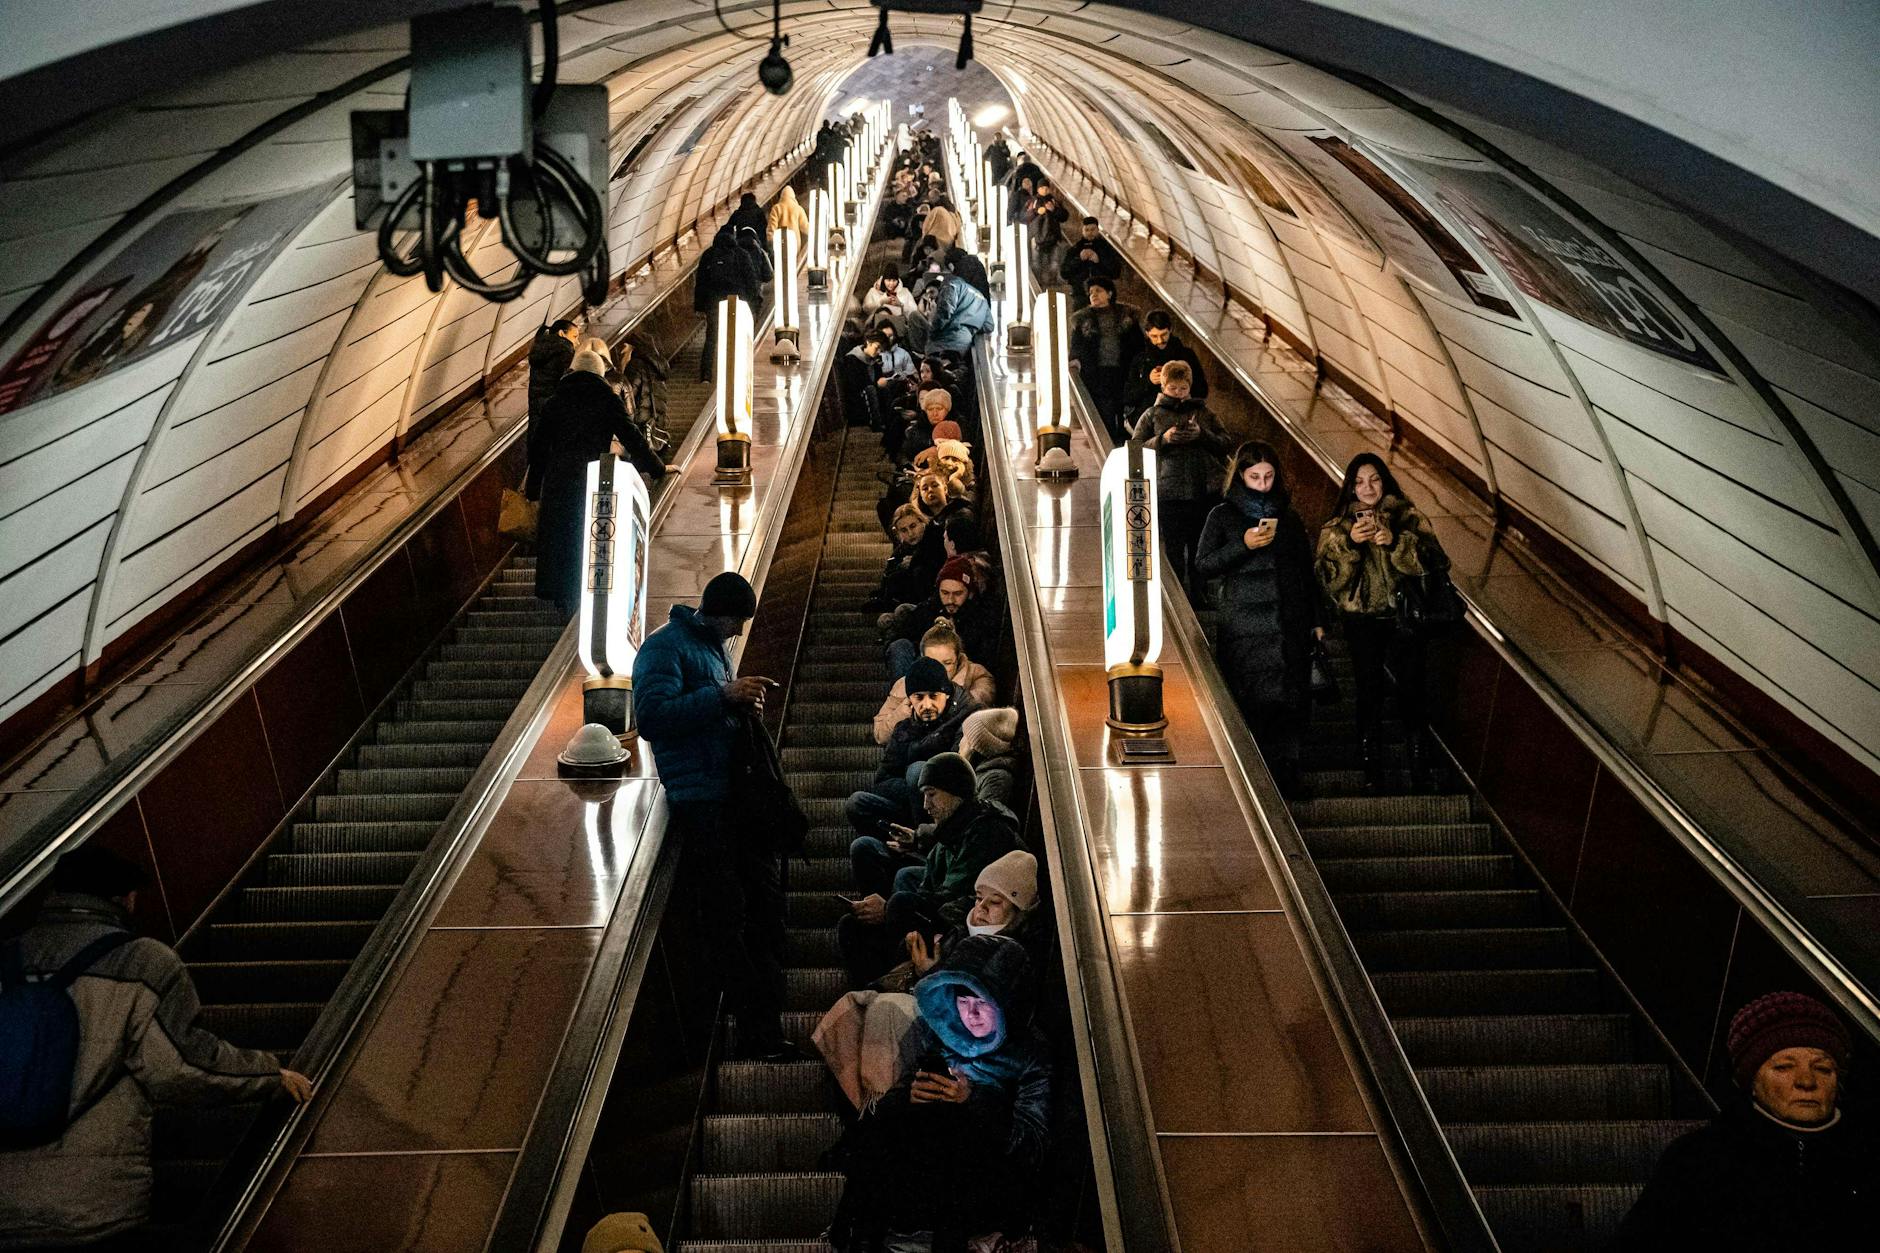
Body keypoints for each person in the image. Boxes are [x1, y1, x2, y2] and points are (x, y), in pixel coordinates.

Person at [0, 846, 313, 1249]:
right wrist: (268, 1074)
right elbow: (179, 1068)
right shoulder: (141, 963)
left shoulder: (6, 959)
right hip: (89, 1206)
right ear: (125, 898)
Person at [631, 573, 795, 1061]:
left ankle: (765, 1025)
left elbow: (706, 712)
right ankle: (751, 1033)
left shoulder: (710, 648)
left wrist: (740, 704)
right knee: (730, 914)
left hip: (734, 796)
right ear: (721, 614)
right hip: (702, 801)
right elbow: (652, 719)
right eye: (738, 622)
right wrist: (723, 697)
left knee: (763, 906)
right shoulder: (664, 649)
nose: (739, 632)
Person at [829, 934, 1050, 1252]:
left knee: (950, 1126)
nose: (971, 1015)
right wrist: (909, 1096)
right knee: (890, 1127)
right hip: (924, 1173)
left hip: (983, 1182)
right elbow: (897, 1096)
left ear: (1006, 1004)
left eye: (982, 1004)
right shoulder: (944, 1034)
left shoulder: (1030, 1054)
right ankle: (860, 1234)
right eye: (963, 1003)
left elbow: (1032, 1143)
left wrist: (973, 1099)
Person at [1613, 991, 1876, 1252]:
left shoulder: (1865, 1161)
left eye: (1823, 1069)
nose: (1806, 1082)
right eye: (1784, 1067)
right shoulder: (1698, 1160)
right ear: (1752, 1081)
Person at [1315, 453, 1451, 791]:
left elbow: (1436, 563)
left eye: (1374, 479)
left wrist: (1395, 543)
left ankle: (1418, 767)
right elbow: (1324, 579)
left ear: (1385, 480)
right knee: (1368, 691)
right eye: (1359, 481)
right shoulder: (1336, 527)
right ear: (1350, 486)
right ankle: (1371, 769)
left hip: (1406, 618)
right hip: (1362, 621)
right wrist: (1350, 545)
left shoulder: (1409, 517)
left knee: (1413, 691)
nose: (1368, 488)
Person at [1196, 443, 1325, 794]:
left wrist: (1315, 620)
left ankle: (1290, 775)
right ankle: (1257, 780)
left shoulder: (1290, 518)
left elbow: (1304, 572)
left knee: (1292, 701)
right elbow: (1203, 565)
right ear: (1240, 475)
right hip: (1245, 629)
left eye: (1268, 477)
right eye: (1255, 477)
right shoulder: (1222, 516)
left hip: (1289, 624)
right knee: (1253, 702)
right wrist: (1243, 545)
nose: (1263, 483)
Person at [839, 754, 1019, 986]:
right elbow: (929, 892)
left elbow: (956, 901)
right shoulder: (948, 834)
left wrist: (889, 908)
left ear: (956, 791)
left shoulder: (987, 832)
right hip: (942, 921)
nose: (926, 805)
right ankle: (871, 990)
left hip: (961, 931)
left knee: (901, 903)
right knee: (851, 926)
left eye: (932, 794)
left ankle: (890, 985)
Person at [531, 351, 666, 613]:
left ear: (572, 371)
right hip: (594, 479)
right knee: (588, 535)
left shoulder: (554, 402)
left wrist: (535, 490)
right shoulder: (607, 399)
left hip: (558, 481)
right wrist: (656, 468)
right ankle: (587, 592)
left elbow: (538, 450)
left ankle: (562, 597)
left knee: (560, 537)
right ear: (599, 373)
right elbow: (632, 436)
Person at [872, 849, 1041, 994]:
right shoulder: (956, 926)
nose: (981, 907)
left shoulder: (1011, 956)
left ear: (1019, 912)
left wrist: (928, 972)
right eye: (979, 897)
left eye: (995, 902)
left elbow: (966, 1011)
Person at [845, 658, 976, 840]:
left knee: (918, 771)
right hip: (912, 807)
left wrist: (915, 780)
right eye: (919, 697)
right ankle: (904, 848)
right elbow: (883, 780)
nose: (927, 705)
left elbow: (956, 772)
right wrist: (911, 788)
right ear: (910, 699)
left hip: (950, 809)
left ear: (946, 693)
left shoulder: (967, 716)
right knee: (856, 803)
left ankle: (925, 844)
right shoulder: (905, 728)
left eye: (933, 696)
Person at [1131, 360, 1232, 595]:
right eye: (1173, 389)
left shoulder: (1204, 412)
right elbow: (1134, 449)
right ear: (1163, 387)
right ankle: (1177, 598)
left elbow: (1225, 443)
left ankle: (1198, 594)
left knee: (1200, 547)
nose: (1178, 394)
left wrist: (1201, 435)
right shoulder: (1152, 415)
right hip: (1168, 493)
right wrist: (1163, 440)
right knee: (1174, 549)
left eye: (1183, 389)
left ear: (1190, 387)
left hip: (1202, 491)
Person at [873, 621, 996, 744]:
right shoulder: (904, 683)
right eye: (933, 662)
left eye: (947, 663)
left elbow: (976, 709)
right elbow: (880, 735)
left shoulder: (977, 675)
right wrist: (904, 712)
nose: (939, 670)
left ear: (957, 659)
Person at [883, 555, 998, 677]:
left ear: (969, 593)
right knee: (899, 646)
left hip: (960, 676)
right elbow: (898, 638)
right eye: (945, 593)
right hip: (922, 672)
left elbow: (985, 658)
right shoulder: (927, 610)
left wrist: (956, 640)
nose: (950, 600)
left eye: (958, 593)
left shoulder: (980, 615)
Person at [1069, 276, 1146, 441]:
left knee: (1123, 407)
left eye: (1098, 291)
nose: (1094, 295)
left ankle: (1124, 442)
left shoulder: (1127, 316)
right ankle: (1109, 443)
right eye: (1090, 292)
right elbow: (1076, 346)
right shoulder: (1083, 319)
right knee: (1105, 411)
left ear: (1109, 293)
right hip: (1097, 374)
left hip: (1123, 371)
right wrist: (1074, 360)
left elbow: (1139, 345)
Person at [523, 318, 579, 497]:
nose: (577, 341)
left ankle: (532, 498)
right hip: (555, 413)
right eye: (575, 336)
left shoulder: (540, 348)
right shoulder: (565, 349)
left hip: (537, 408)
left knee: (537, 458)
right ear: (562, 333)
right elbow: (568, 384)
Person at [694, 226, 756, 382]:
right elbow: (751, 281)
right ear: (733, 236)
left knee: (712, 338)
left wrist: (700, 307)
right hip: (737, 302)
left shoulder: (708, 255)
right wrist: (751, 304)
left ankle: (706, 376)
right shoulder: (742, 255)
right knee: (737, 337)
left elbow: (700, 283)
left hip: (714, 302)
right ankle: (737, 372)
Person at [1122, 310, 1209, 419]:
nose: (1160, 341)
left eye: (1164, 335)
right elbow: (1128, 396)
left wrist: (1181, 382)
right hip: (1149, 419)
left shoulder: (1186, 355)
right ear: (1147, 333)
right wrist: (1148, 381)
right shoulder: (1141, 359)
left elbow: (1202, 391)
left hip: (1179, 416)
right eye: (1154, 336)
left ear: (1170, 330)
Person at [1059, 217, 1123, 308]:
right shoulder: (1075, 249)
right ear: (1082, 231)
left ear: (1098, 230)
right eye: (1087, 230)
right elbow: (1064, 273)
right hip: (1080, 295)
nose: (1090, 233)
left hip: (1103, 297)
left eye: (1093, 229)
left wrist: (1098, 261)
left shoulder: (1107, 248)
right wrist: (1079, 259)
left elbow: (1116, 272)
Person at [926, 273, 995, 355]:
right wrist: (970, 328)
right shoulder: (982, 298)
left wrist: (932, 334)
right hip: (964, 342)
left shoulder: (951, 285)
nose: (930, 297)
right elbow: (989, 326)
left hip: (945, 339)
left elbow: (944, 312)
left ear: (940, 287)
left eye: (932, 292)